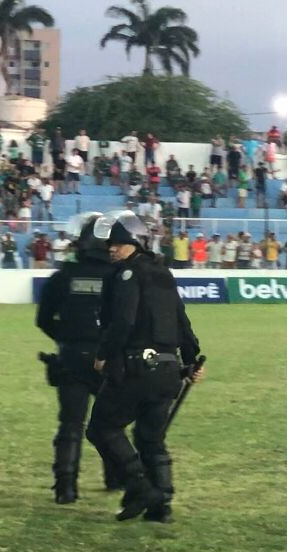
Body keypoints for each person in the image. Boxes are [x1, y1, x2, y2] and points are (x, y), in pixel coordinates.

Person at [87, 210, 203, 522]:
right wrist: (191, 360)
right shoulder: (164, 274)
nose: (111, 248)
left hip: (135, 369)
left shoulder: (127, 274)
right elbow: (181, 320)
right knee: (151, 439)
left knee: (102, 428)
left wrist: (104, 354)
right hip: (168, 372)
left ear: (135, 243)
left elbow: (122, 321)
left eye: (118, 243)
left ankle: (140, 487)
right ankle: (160, 506)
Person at [36, 213, 122, 503]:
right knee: (109, 424)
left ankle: (66, 487)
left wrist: (67, 339)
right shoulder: (118, 277)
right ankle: (114, 478)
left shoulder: (63, 277)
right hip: (107, 359)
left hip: (71, 358)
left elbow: (44, 319)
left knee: (71, 425)